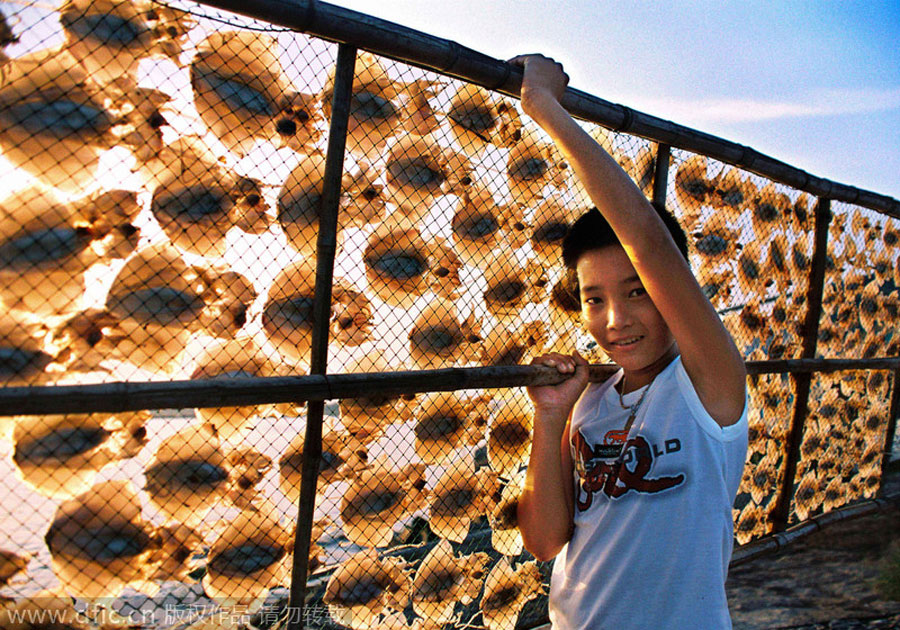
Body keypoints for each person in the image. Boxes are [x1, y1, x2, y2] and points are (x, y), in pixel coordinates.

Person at [511, 54, 749, 630]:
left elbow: (646, 239)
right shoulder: (589, 401)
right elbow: (545, 543)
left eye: (637, 291)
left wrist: (542, 106)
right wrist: (549, 419)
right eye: (593, 299)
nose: (615, 319)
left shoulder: (708, 387)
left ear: (669, 287)